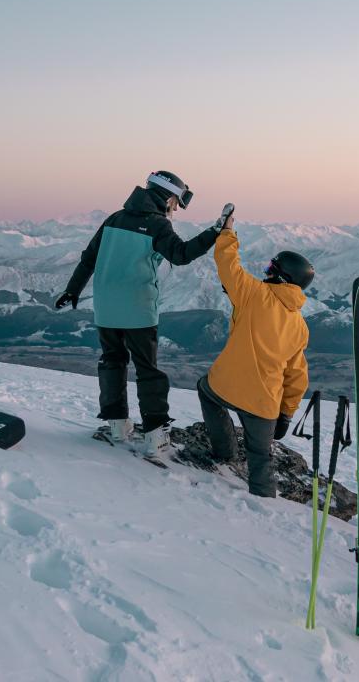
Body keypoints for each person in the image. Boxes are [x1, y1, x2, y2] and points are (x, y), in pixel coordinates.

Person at [55, 171, 222, 454]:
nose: (175, 210)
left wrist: (73, 290)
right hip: (138, 309)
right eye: (176, 204)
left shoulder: (114, 219)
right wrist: (215, 232)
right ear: (168, 197)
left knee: (112, 362)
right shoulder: (157, 225)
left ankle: (118, 426)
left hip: (106, 307)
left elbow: (88, 259)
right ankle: (156, 436)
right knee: (148, 370)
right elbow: (181, 255)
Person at [197, 210, 312, 497]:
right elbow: (297, 375)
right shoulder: (300, 325)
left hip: (225, 386)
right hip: (265, 403)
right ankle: (265, 506)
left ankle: (224, 453)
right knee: (261, 458)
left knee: (204, 390)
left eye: (270, 268)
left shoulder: (253, 293)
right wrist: (286, 414)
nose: (266, 272)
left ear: (279, 274)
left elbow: (228, 265)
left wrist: (227, 232)